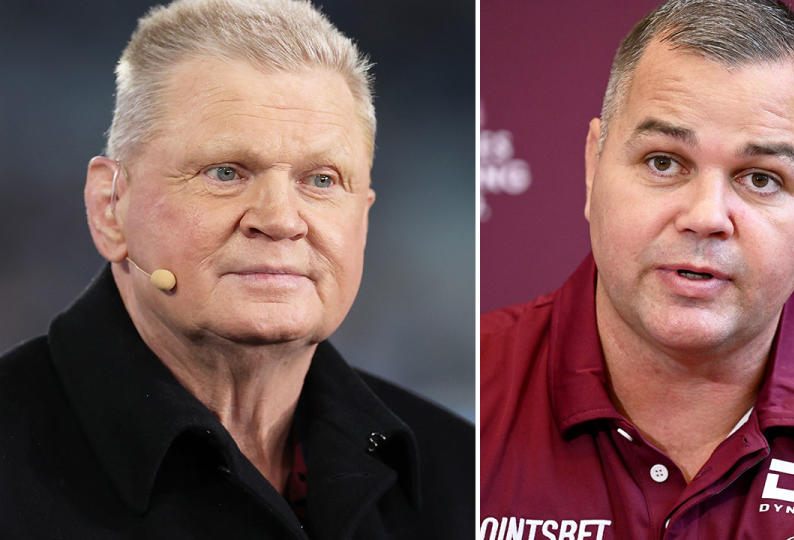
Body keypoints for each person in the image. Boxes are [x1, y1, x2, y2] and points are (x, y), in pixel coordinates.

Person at [480, 0, 794, 538]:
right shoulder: (471, 389)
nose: (706, 217)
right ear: (593, 167)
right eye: (663, 162)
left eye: (759, 178)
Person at [0, 0, 472, 537]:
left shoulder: (464, 476)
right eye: (225, 172)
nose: (280, 220)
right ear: (110, 208)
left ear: (363, 216)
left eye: (320, 180)